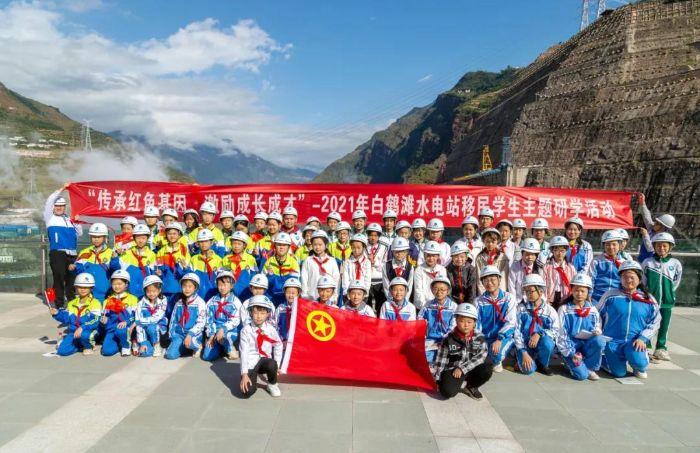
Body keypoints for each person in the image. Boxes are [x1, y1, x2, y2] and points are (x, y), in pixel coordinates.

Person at [597, 261, 661, 379]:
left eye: (632, 277)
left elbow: (655, 321)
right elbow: (597, 315)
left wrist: (643, 338)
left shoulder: (648, 299)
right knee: (619, 373)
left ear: (639, 279)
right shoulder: (610, 295)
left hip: (635, 341)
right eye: (624, 277)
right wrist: (599, 333)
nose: (628, 280)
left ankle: (638, 364)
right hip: (612, 342)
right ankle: (604, 359)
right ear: (620, 279)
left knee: (641, 367)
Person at [431, 303, 493, 400]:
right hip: (454, 369)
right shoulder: (448, 338)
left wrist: (462, 369)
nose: (466, 325)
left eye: (469, 322)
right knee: (447, 393)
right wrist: (437, 378)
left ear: (475, 323)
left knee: (487, 366)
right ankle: (454, 383)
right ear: (456, 320)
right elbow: (441, 360)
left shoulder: (479, 337)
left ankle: (471, 386)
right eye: (462, 321)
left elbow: (482, 356)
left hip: (470, 367)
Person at [642, 232, 682, 361]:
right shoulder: (647, 262)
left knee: (664, 326)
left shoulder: (675, 263)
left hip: (667, 301)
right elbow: (643, 281)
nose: (661, 248)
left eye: (665, 245)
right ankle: (646, 347)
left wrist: (669, 294)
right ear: (654, 246)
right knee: (647, 323)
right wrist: (646, 295)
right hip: (650, 301)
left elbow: (676, 282)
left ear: (670, 247)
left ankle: (661, 348)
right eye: (658, 245)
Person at [556, 273, 604, 381]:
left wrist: (597, 331)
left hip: (586, 345)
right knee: (582, 376)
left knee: (599, 340)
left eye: (583, 291)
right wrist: (571, 353)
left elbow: (598, 325)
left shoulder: (593, 310)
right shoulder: (564, 309)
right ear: (571, 290)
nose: (579, 294)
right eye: (576, 290)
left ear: (588, 292)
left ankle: (590, 367)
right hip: (571, 347)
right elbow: (561, 333)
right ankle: (571, 362)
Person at [514, 274, 559, 376]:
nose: (528, 294)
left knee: (548, 342)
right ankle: (521, 357)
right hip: (524, 345)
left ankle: (542, 363)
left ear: (541, 291)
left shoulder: (550, 311)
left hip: (540, 344)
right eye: (526, 291)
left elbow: (556, 331)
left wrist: (539, 334)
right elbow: (516, 331)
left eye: (531, 291)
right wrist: (523, 352)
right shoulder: (521, 308)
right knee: (528, 370)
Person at [44, 188, 83, 307]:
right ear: (53, 207)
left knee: (71, 280)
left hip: (72, 254)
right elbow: (49, 201)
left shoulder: (69, 219)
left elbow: (79, 233)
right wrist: (62, 189)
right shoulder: (50, 218)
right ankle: (59, 304)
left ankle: (71, 303)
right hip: (58, 253)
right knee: (59, 278)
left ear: (65, 207)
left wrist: (77, 222)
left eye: (61, 206)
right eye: (57, 206)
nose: (59, 208)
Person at [239, 295, 283, 398]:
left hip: (265, 361)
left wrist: (277, 364)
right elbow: (244, 353)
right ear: (250, 313)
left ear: (268, 314)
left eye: (262, 313)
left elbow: (278, 344)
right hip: (251, 362)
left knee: (272, 364)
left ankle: (272, 384)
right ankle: (252, 377)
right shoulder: (245, 331)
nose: (259, 316)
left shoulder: (270, 329)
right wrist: (244, 374)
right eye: (255, 312)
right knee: (247, 392)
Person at [474, 266, 516, 373]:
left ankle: (498, 361)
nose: (489, 283)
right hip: (485, 337)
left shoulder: (509, 298)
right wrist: (479, 339)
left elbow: (511, 322)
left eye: (492, 279)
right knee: (470, 351)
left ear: (499, 279)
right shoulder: (478, 301)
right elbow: (477, 323)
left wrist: (500, 339)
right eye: (486, 280)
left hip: (502, 337)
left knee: (496, 353)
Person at [50, 273, 101, 356]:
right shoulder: (71, 303)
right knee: (62, 351)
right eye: (80, 287)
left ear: (91, 288)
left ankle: (88, 346)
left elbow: (95, 320)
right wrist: (57, 313)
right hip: (74, 331)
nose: (82, 289)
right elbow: (66, 318)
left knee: (85, 335)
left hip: (89, 330)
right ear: (76, 287)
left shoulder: (95, 303)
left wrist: (82, 327)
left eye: (86, 287)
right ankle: (80, 345)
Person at [202, 270, 243, 361]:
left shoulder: (236, 302)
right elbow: (208, 319)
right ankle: (219, 349)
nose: (222, 287)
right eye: (220, 285)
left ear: (231, 286)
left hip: (229, 331)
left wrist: (223, 329)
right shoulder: (212, 301)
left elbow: (235, 320)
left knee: (225, 339)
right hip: (214, 330)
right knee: (206, 356)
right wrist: (211, 334)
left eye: (225, 285)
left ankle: (229, 347)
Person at [165, 273, 207, 360]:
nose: (187, 289)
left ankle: (197, 346)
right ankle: (184, 347)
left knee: (190, 343)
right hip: (179, 334)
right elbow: (173, 320)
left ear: (195, 288)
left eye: (190, 286)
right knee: (170, 355)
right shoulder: (179, 302)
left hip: (193, 334)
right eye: (184, 286)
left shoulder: (200, 302)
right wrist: (172, 335)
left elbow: (201, 323)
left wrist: (190, 334)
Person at [100, 270, 139, 357]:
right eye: (114, 284)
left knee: (121, 331)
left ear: (126, 284)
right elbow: (105, 315)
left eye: (119, 284)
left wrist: (126, 322)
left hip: (126, 328)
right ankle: (120, 343)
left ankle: (126, 346)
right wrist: (104, 320)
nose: (116, 286)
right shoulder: (108, 300)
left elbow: (136, 316)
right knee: (107, 351)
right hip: (112, 329)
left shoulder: (133, 299)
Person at [155, 222, 190, 317]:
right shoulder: (161, 251)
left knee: (177, 315)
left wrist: (184, 267)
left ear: (179, 235)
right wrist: (159, 274)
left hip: (179, 289)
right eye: (169, 233)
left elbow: (187, 273)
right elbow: (158, 269)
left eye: (174, 233)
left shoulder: (184, 251)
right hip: (165, 288)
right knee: (165, 314)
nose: (172, 236)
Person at [419, 276, 457, 362]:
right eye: (435, 289)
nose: (439, 292)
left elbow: (453, 326)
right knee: (424, 357)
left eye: (442, 289)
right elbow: (420, 320)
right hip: (430, 339)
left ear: (448, 291)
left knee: (447, 359)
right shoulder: (428, 305)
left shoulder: (453, 306)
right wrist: (423, 336)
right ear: (432, 290)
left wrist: (445, 338)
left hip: (447, 339)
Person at [74, 222, 114, 301]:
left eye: (99, 237)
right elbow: (78, 272)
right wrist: (74, 268)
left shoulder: (111, 253)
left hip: (105, 294)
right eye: (93, 237)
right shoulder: (84, 252)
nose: (96, 239)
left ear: (104, 237)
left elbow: (115, 270)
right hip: (87, 294)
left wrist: (115, 258)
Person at [115, 224, 157, 299]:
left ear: (147, 238)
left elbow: (153, 275)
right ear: (134, 238)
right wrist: (114, 257)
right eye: (138, 238)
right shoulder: (126, 253)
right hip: (129, 293)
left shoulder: (152, 255)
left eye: (143, 238)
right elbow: (116, 268)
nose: (141, 241)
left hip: (145, 294)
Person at [300, 230, 340, 305]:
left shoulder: (332, 261)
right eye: (315, 245)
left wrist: (335, 296)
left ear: (326, 245)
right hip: (312, 297)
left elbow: (336, 279)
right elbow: (304, 279)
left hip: (328, 299)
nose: (317, 247)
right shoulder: (308, 260)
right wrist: (305, 295)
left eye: (320, 244)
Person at [262, 232, 300, 306]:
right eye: (279, 244)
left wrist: (272, 278)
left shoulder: (293, 262)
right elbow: (263, 282)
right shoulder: (269, 262)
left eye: (284, 245)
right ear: (275, 246)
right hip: (271, 299)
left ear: (288, 247)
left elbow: (293, 284)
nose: (281, 247)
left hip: (286, 299)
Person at [590, 229, 627, 304]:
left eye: (614, 244)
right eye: (607, 244)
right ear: (603, 246)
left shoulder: (624, 263)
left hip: (617, 298)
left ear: (619, 245)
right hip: (597, 298)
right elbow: (591, 279)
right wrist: (589, 296)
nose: (611, 247)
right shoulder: (596, 261)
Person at [135, 275, 168, 357]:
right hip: (144, 330)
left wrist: (140, 321)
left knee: (152, 327)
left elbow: (157, 317)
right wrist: (143, 342)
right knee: (144, 353)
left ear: (159, 290)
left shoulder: (163, 300)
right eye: (148, 291)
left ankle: (157, 345)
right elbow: (138, 323)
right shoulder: (141, 303)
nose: (151, 294)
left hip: (159, 328)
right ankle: (147, 344)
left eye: (154, 291)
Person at [637, 193, 675, 263]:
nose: (654, 223)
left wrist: (645, 235)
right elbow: (647, 217)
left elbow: (651, 249)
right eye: (656, 221)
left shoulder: (663, 238)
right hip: (642, 260)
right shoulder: (652, 229)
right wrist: (643, 204)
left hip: (652, 263)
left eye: (657, 223)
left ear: (663, 227)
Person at [188, 229, 223, 301]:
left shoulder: (218, 260)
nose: (204, 244)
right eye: (201, 241)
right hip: (197, 296)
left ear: (211, 242)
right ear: (198, 243)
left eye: (206, 241)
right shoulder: (194, 259)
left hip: (214, 296)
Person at [222, 230, 258, 299]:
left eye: (239, 244)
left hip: (247, 293)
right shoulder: (226, 259)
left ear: (244, 245)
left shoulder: (250, 259)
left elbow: (254, 277)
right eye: (234, 243)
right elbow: (221, 277)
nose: (236, 246)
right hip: (230, 294)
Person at [543, 236, 576, 309]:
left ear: (566, 251)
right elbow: (543, 285)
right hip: (550, 297)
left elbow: (574, 285)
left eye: (562, 251)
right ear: (552, 251)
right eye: (556, 250)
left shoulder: (571, 268)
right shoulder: (547, 267)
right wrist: (545, 299)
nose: (559, 253)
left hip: (566, 297)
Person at [508, 238, 544, 304]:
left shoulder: (539, 268)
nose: (530, 257)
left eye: (533, 254)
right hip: (518, 300)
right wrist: (514, 302)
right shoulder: (514, 266)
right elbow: (511, 286)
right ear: (522, 253)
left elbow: (541, 287)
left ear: (536, 255)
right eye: (527, 254)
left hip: (535, 300)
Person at [413, 241, 448, 310]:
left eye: (434, 256)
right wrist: (425, 307)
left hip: (438, 306)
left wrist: (439, 304)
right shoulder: (419, 270)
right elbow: (418, 290)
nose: (431, 258)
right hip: (422, 306)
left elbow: (443, 289)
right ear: (424, 255)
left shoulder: (442, 269)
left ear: (438, 256)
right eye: (428, 255)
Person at [474, 228, 509, 293]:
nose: (490, 244)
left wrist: (499, 293)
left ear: (497, 241)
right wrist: (483, 294)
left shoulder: (503, 257)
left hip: (499, 292)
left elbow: (503, 278)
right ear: (483, 241)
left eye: (493, 242)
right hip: (484, 291)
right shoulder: (479, 258)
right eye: (487, 241)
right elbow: (479, 278)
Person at [341, 233, 372, 300]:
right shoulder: (347, 262)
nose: (356, 250)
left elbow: (367, 280)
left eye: (358, 248)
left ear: (363, 248)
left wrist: (365, 294)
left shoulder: (367, 262)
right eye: (353, 247)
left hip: (362, 294)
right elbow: (345, 279)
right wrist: (347, 293)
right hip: (350, 294)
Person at [366, 223, 389, 310]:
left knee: (380, 305)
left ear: (379, 236)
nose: (373, 238)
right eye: (371, 235)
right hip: (366, 280)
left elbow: (385, 265)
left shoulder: (384, 247)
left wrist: (374, 262)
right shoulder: (363, 246)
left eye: (375, 235)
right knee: (367, 306)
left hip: (379, 280)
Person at [274, 278, 301, 343]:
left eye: (293, 293)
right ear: (284, 293)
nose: (290, 295)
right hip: (282, 341)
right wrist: (280, 340)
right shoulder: (280, 308)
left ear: (298, 294)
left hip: (297, 343)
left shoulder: (301, 308)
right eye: (288, 292)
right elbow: (275, 324)